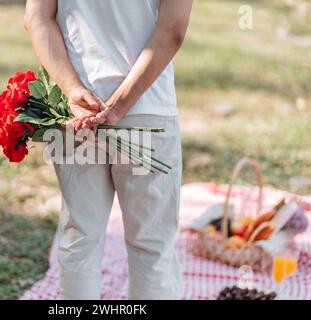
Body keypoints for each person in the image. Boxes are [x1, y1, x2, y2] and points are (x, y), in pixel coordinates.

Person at [24, 0, 192, 300]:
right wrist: (117, 108)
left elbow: (36, 18)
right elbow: (173, 31)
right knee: (151, 244)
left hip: (75, 113)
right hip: (146, 110)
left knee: (79, 237)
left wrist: (73, 90)